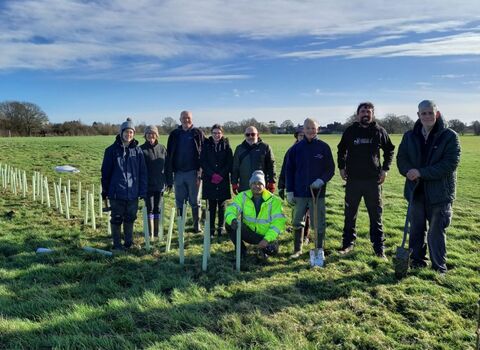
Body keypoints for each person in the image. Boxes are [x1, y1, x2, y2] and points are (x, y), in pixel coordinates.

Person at [397, 100, 460, 274]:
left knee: (436, 232)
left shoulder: (449, 136)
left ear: (437, 114)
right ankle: (417, 262)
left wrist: (421, 172)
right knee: (416, 229)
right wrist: (407, 171)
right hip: (415, 191)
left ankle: (439, 268)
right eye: (423, 113)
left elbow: (450, 164)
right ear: (418, 115)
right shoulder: (409, 136)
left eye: (430, 113)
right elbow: (401, 158)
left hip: (440, 193)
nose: (427, 116)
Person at [337, 102, 395, 259]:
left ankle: (379, 248)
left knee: (376, 215)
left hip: (373, 181)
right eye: (363, 111)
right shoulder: (350, 131)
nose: (366, 114)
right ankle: (347, 244)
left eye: (369, 112)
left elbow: (390, 149)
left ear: (373, 114)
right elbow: (341, 149)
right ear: (357, 114)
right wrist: (341, 167)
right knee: (350, 214)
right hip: (353, 180)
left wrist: (385, 169)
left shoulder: (379, 131)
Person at [286, 118, 335, 261]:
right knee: (297, 221)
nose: (310, 131)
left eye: (313, 128)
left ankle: (319, 250)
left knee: (318, 223)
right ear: (303, 129)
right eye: (308, 128)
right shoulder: (295, 149)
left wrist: (321, 180)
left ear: (317, 129)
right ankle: (297, 249)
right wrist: (290, 191)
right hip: (299, 192)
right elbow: (289, 170)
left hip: (317, 193)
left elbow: (330, 169)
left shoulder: (324, 147)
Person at [101, 118, 147, 251]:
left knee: (130, 218)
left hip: (133, 193)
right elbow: (105, 172)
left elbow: (143, 173)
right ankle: (117, 245)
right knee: (116, 219)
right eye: (126, 132)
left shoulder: (137, 151)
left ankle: (128, 243)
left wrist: (142, 191)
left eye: (131, 132)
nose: (129, 135)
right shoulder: (111, 151)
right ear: (121, 133)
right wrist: (106, 190)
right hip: (116, 193)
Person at [225, 170, 285, 260]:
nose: (256, 186)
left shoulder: (274, 201)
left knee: (273, 249)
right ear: (250, 185)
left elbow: (278, 223)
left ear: (264, 186)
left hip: (264, 236)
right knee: (229, 224)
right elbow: (231, 210)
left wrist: (266, 239)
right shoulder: (243, 196)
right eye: (254, 183)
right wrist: (232, 219)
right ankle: (241, 251)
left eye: (260, 183)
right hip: (248, 233)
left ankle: (262, 250)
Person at [166, 111, 205, 233]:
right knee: (179, 201)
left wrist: (201, 172)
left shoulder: (198, 133)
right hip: (178, 173)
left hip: (194, 173)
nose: (186, 120)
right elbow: (169, 153)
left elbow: (204, 152)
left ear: (191, 119)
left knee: (195, 201)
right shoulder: (174, 134)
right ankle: (181, 225)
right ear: (180, 119)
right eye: (183, 118)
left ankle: (196, 225)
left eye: (188, 118)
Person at [278, 126, 311, 246]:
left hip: (308, 188)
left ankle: (305, 236)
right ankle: (297, 234)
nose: (302, 137)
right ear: (297, 137)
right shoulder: (291, 151)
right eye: (300, 135)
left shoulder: (312, 149)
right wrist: (282, 186)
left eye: (304, 134)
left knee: (306, 213)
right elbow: (285, 169)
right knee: (296, 212)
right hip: (294, 187)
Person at [200, 124, 233, 239]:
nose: (216, 135)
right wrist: (212, 174)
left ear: (222, 134)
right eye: (214, 133)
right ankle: (211, 229)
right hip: (210, 179)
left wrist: (221, 174)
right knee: (211, 205)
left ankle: (221, 228)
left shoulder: (227, 145)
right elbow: (203, 161)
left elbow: (230, 162)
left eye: (218, 133)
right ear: (211, 134)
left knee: (222, 205)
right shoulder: (206, 145)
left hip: (222, 179)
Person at [140, 125, 169, 238]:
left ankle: (157, 233)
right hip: (147, 185)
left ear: (156, 135)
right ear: (145, 136)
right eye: (148, 134)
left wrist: (169, 181)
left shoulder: (162, 148)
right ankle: (150, 233)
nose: (151, 136)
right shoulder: (141, 149)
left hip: (160, 184)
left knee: (158, 208)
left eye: (153, 134)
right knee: (149, 208)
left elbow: (167, 166)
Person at [231, 126, 276, 194]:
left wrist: (272, 182)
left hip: (261, 186)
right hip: (244, 187)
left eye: (253, 134)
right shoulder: (239, 149)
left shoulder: (265, 147)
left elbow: (271, 165)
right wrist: (234, 183)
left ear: (257, 135)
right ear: (245, 135)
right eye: (247, 134)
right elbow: (235, 167)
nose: (250, 136)